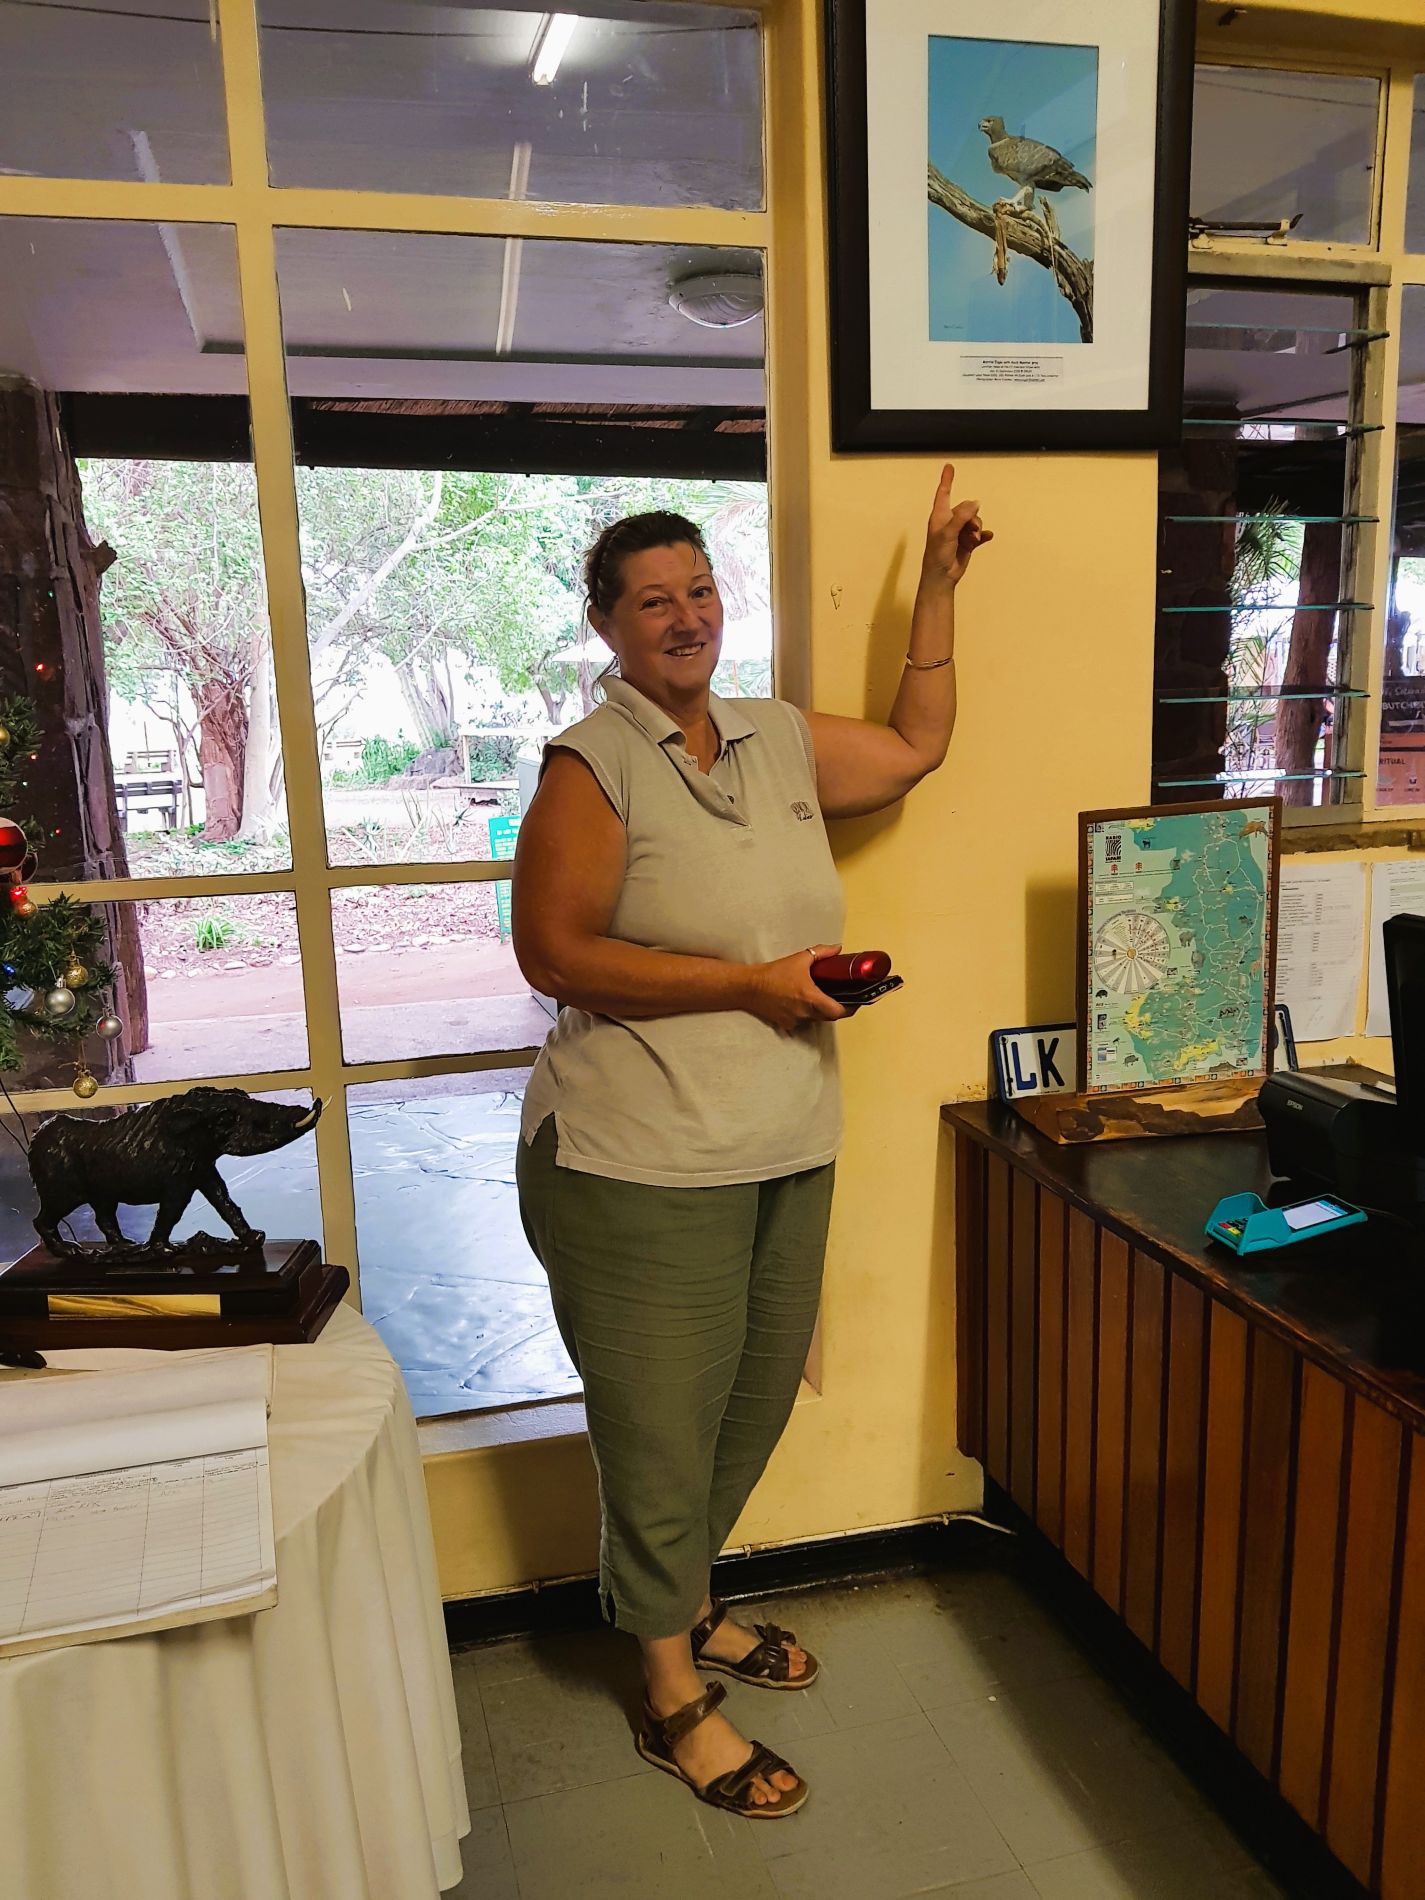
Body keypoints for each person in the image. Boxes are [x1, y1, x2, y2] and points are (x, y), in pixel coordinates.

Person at [512, 465, 991, 1819]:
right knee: (660, 1428)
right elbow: (554, 953)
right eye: (652, 601)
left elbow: (913, 746)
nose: (686, 617)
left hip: (783, 1139)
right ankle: (669, 1688)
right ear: (607, 626)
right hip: (635, 1158)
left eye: (701, 590)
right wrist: (751, 984)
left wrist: (936, 588)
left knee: (755, 1397)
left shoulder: (771, 736)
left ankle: (684, 1600)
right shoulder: (592, 764)